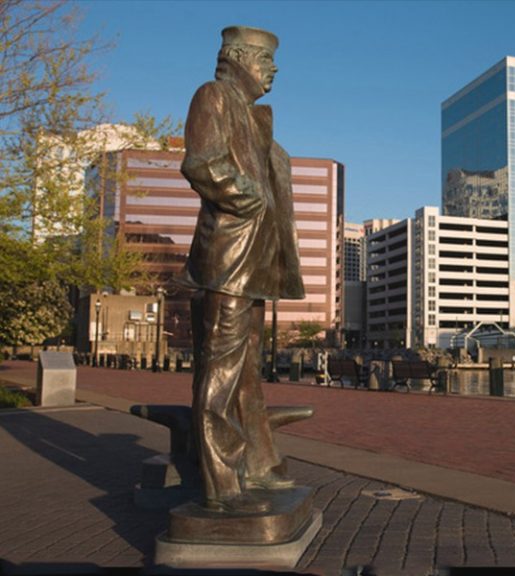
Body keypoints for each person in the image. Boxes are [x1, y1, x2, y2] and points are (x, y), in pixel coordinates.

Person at [179, 26, 305, 510]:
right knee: (221, 370)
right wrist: (250, 197)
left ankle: (255, 464)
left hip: (253, 262)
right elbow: (202, 164)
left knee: (246, 369)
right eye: (265, 59)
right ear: (236, 57)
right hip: (228, 259)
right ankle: (221, 484)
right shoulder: (213, 95)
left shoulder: (253, 117)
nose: (273, 69)